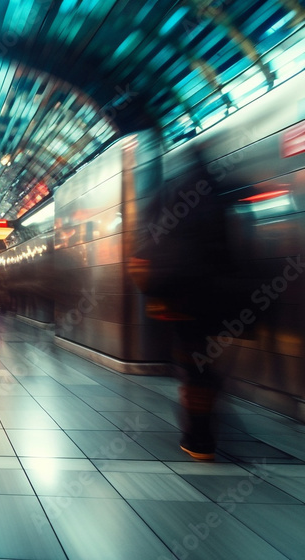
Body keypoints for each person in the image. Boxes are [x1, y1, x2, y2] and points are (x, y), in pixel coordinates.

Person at [128, 144, 235, 461]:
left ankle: (198, 434)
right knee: (204, 363)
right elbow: (226, 248)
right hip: (214, 296)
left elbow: (148, 240)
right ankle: (203, 425)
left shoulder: (169, 192)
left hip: (178, 297)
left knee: (192, 362)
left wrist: (155, 291)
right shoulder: (216, 190)